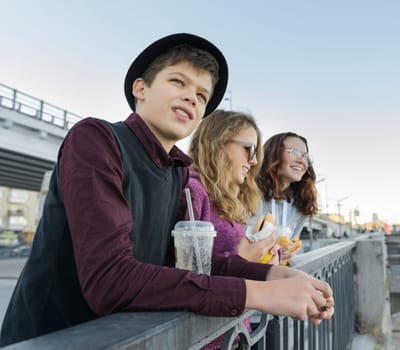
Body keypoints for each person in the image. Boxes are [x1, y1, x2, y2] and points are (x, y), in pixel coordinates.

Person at [0, 33, 334, 347]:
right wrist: (257, 294)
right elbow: (110, 279)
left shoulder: (176, 173)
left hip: (126, 339)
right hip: (51, 339)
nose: (192, 96)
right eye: (178, 81)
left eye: (202, 95)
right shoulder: (97, 140)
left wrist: (273, 274)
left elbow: (189, 266)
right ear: (140, 88)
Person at [185, 110, 279, 349]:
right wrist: (244, 256)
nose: (255, 161)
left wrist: (267, 258)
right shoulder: (193, 192)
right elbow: (185, 275)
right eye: (249, 150)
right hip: (207, 340)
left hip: (235, 334)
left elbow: (236, 262)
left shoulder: (227, 201)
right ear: (218, 144)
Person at [253, 132, 318, 264]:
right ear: (273, 154)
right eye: (294, 152)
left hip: (278, 276)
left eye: (305, 156)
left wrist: (287, 253)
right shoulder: (249, 193)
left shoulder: (302, 204)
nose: (301, 161)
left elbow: (289, 250)